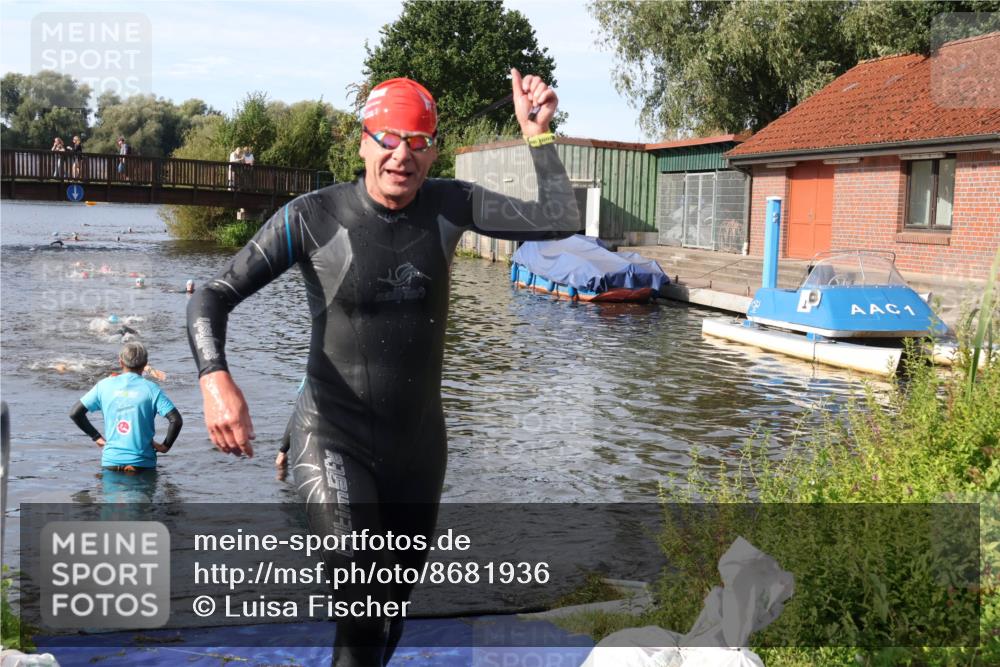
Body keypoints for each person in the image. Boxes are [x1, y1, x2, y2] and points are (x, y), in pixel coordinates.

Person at [187, 69, 578, 666]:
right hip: (332, 435)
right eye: (389, 138)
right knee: (360, 587)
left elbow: (558, 217)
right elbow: (211, 295)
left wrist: (539, 136)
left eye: (419, 142)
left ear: (434, 150)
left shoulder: (451, 204)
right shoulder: (312, 217)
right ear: (363, 141)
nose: (403, 155)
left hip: (418, 449)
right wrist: (216, 378)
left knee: (387, 613)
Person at [70, 342, 182, 473]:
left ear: (121, 362)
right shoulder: (152, 389)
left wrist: (97, 437)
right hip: (142, 464)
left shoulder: (104, 385)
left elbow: (75, 413)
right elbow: (176, 420)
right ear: (145, 363)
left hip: (111, 462)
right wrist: (164, 447)